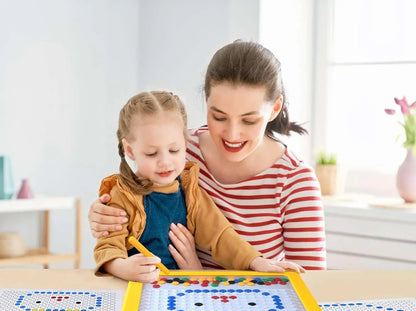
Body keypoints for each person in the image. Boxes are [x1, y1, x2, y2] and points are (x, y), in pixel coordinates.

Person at [89, 40, 326, 271]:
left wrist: (198, 274)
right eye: (219, 117)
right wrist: (103, 215)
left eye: (249, 120)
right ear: (206, 102)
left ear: (274, 108)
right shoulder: (179, 151)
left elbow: (312, 289)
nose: (232, 135)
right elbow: (130, 203)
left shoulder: (295, 181)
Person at [94, 91, 305, 282]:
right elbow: (107, 247)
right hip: (133, 293)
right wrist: (123, 268)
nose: (165, 162)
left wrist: (257, 262)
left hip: (180, 291)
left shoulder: (190, 191)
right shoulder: (121, 195)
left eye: (174, 150)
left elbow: (221, 235)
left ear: (185, 143)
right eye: (152, 153)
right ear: (130, 150)